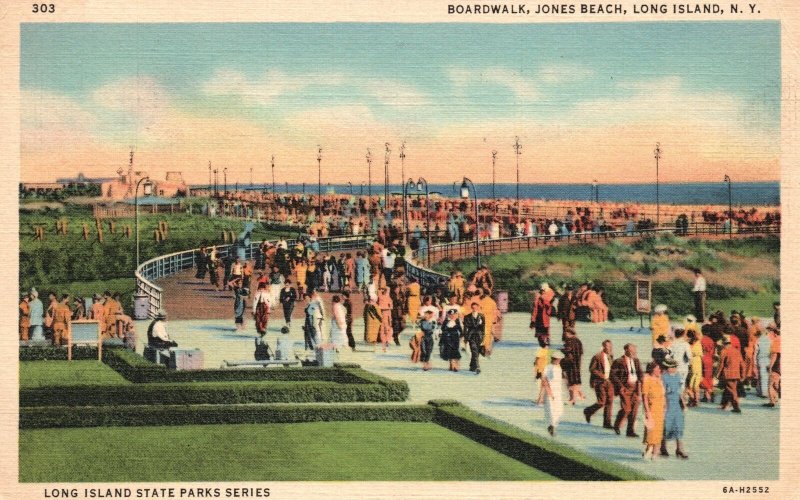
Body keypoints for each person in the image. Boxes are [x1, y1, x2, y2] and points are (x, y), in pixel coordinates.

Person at [610, 343, 643, 437]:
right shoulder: (619, 361)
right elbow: (612, 375)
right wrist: (620, 386)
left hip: (635, 388)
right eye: (632, 351)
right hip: (625, 388)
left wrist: (641, 382)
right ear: (626, 350)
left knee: (634, 410)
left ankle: (630, 431)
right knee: (626, 409)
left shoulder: (636, 361)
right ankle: (617, 424)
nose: (634, 353)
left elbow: (640, 373)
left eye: (635, 351)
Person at [661, 357, 689, 458]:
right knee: (666, 426)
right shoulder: (663, 377)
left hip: (676, 404)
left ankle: (679, 449)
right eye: (672, 367)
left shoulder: (677, 376)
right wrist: (663, 406)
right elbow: (662, 393)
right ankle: (663, 447)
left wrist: (684, 404)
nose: (674, 368)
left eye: (675, 367)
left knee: (679, 426)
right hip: (667, 404)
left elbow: (680, 391)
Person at [584, 339, 615, 429]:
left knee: (610, 401)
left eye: (610, 346)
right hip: (599, 382)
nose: (609, 348)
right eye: (607, 346)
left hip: (609, 382)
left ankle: (607, 423)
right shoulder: (597, 356)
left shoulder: (611, 356)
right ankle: (588, 411)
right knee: (602, 402)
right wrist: (603, 376)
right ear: (603, 346)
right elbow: (592, 369)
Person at [641, 361, 665, 460]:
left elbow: (663, 394)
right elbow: (645, 397)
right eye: (658, 369)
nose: (660, 370)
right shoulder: (647, 380)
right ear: (652, 369)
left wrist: (665, 406)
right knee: (651, 430)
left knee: (659, 431)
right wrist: (647, 411)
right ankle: (649, 449)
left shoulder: (660, 380)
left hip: (660, 408)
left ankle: (655, 452)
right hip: (652, 408)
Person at [716, 335, 745, 413]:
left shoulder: (724, 351)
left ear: (723, 343)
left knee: (732, 391)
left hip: (728, 374)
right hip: (736, 374)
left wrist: (717, 374)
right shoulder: (736, 351)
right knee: (728, 389)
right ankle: (724, 404)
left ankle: (736, 407)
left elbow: (721, 364)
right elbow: (742, 363)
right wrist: (742, 374)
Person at [542, 351, 565, 436]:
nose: (559, 361)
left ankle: (553, 426)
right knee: (551, 410)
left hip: (558, 392)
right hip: (550, 391)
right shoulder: (548, 367)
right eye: (558, 359)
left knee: (560, 410)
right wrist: (549, 392)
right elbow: (544, 380)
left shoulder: (559, 368)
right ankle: (551, 427)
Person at [561, 327, 585, 404]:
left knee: (572, 382)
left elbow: (568, 350)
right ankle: (579, 396)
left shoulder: (571, 341)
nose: (565, 334)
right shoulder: (578, 341)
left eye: (566, 333)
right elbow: (580, 353)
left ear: (570, 333)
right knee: (575, 381)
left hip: (571, 364)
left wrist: (560, 350)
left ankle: (573, 399)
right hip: (576, 364)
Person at [463, 301, 486, 374]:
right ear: (471, 308)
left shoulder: (482, 316)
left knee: (477, 352)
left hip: (479, 336)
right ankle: (477, 367)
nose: (474, 309)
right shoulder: (467, 317)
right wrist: (466, 337)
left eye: (476, 307)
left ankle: (472, 366)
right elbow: (465, 328)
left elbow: (483, 327)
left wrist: (483, 336)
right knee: (474, 350)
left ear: (478, 308)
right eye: (473, 308)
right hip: (471, 335)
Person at [439, 307, 463, 372]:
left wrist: (461, 336)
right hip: (448, 337)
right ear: (448, 315)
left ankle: (456, 365)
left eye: (454, 314)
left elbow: (460, 329)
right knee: (449, 351)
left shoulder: (457, 321)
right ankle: (451, 364)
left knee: (455, 351)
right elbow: (442, 328)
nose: (452, 316)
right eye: (451, 315)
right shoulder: (446, 321)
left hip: (455, 338)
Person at [764, 323, 781, 408]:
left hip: (776, 365)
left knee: (770, 384)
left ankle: (772, 401)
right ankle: (775, 398)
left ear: (774, 333)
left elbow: (774, 355)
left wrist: (770, 367)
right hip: (781, 365)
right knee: (776, 383)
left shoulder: (776, 341)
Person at [686, 330, 703, 407]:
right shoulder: (698, 343)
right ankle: (696, 400)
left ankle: (692, 400)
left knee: (690, 384)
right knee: (696, 384)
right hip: (698, 363)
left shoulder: (689, 344)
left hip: (692, 363)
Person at [377, 287, 393, 352]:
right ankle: (384, 342)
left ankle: (386, 341)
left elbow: (390, 307)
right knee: (383, 329)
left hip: (387, 314)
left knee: (386, 328)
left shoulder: (387, 298)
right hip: (383, 314)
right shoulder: (381, 297)